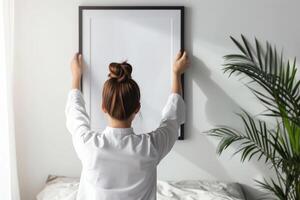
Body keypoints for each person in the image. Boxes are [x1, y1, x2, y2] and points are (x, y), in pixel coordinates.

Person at [65, 50, 190, 200]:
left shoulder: (87, 145)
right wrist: (176, 74)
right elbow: (172, 118)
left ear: (103, 106)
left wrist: (76, 76)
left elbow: (75, 113)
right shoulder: (151, 147)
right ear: (137, 108)